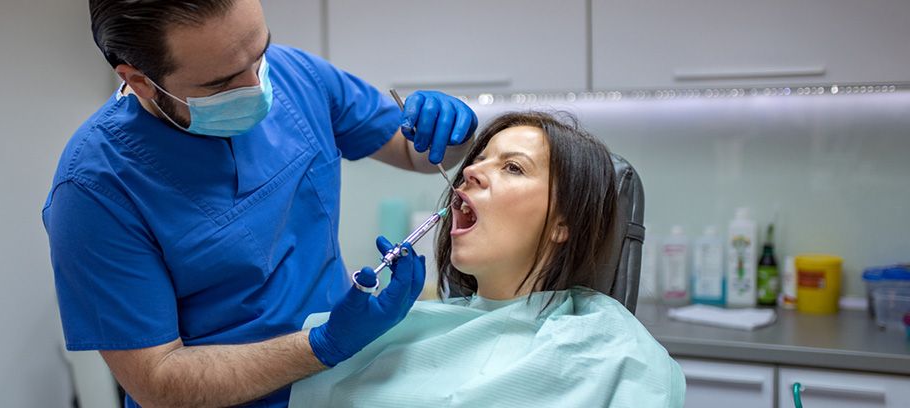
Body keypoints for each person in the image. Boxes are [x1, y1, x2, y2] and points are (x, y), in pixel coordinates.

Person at [41, 1, 478, 406]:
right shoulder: (95, 190)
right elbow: (159, 382)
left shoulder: (297, 75)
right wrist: (323, 344)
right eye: (223, 83)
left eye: (259, 55)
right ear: (139, 81)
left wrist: (453, 134)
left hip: (343, 388)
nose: (257, 87)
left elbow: (412, 151)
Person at [290, 112, 685, 407]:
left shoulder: (615, 353)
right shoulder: (393, 336)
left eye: (513, 167)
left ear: (562, 223)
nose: (473, 171)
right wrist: (326, 347)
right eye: (477, 160)